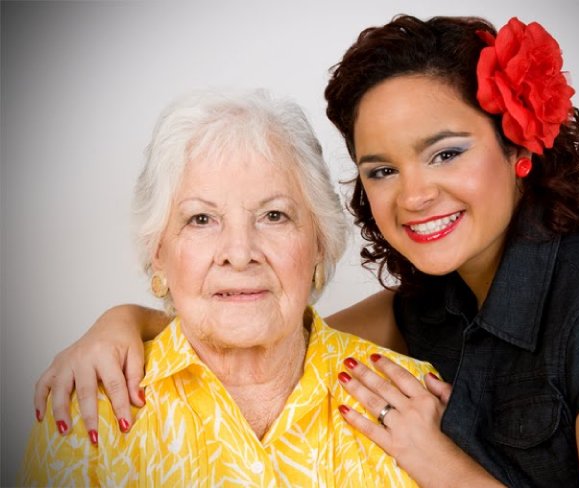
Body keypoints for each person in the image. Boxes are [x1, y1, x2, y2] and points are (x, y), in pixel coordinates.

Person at [34, 15, 579, 487]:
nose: (414, 194)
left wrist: (439, 463)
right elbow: (274, 329)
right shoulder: (432, 303)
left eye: (446, 152)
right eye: (381, 169)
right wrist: (123, 323)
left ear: (517, 148)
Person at [21, 90, 446, 486]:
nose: (240, 253)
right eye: (201, 219)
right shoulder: (85, 412)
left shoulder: (411, 401)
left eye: (274, 216)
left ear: (319, 243)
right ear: (158, 252)